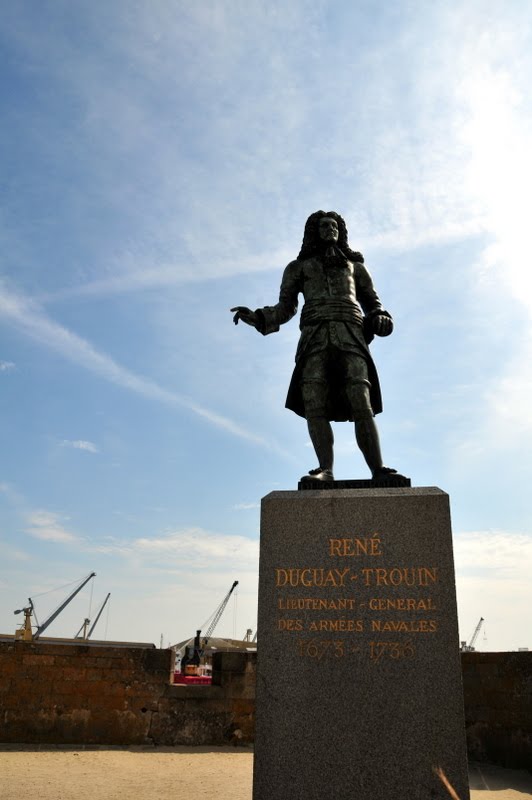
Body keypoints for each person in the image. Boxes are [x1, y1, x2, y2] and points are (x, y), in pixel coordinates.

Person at [231, 210, 404, 484]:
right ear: (313, 232)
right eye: (324, 226)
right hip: (313, 337)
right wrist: (260, 318)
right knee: (315, 402)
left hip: (351, 335)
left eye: (334, 225)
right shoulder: (297, 268)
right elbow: (286, 308)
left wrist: (381, 317)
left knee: (361, 399)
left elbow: (373, 302)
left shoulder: (356, 267)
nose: (330, 229)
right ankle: (325, 469)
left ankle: (378, 469)